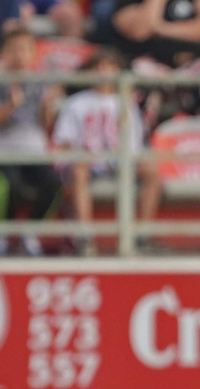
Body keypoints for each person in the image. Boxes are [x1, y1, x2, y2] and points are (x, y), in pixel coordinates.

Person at [51, 49, 156, 256]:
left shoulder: (127, 103)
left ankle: (141, 236)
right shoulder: (76, 102)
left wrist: (125, 159)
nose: (104, 73)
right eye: (99, 67)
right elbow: (64, 141)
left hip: (120, 159)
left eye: (110, 67)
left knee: (152, 172)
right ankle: (85, 237)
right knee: (79, 171)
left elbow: (134, 143)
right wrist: (81, 155)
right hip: (88, 160)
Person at [0, 28, 63, 257]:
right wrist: (11, 106)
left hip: (34, 151)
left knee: (54, 186)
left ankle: (31, 233)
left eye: (25, 49)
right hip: (4, 151)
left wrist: (49, 103)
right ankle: (2, 237)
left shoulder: (41, 81)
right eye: (14, 49)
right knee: (10, 187)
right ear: (4, 52)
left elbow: (46, 124)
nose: (19, 54)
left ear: (33, 53)